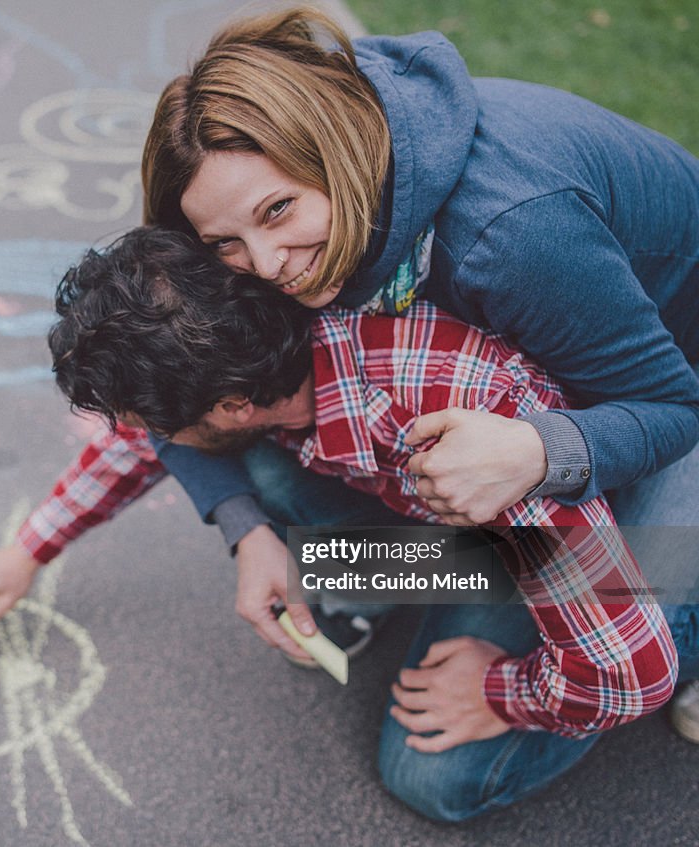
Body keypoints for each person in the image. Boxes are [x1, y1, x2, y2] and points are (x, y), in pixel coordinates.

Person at [0, 227, 689, 821]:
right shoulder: (254, 320)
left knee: (433, 776)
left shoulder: (451, 431)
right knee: (261, 480)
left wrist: (498, 690)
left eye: (157, 423)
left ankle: (685, 597)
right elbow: (146, 437)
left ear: (231, 407)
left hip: (608, 484)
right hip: (499, 519)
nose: (146, 436)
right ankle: (410, 590)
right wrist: (26, 552)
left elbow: (628, 671)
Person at [138, 5, 699, 741]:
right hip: (554, 379)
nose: (267, 266)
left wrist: (536, 450)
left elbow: (673, 405)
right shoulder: (315, 196)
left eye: (278, 211)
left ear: (329, 150)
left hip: (665, 388)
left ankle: (682, 620)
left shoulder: (510, 235)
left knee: (444, 774)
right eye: (225, 243)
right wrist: (245, 529)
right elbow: (158, 377)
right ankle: (468, 580)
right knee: (270, 487)